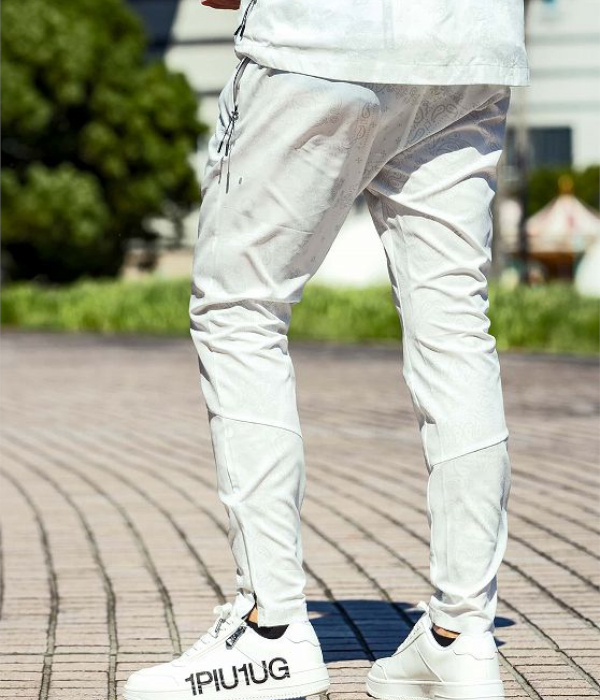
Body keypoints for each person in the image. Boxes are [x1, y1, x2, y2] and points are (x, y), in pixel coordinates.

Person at [124, 1, 528, 699]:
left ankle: (272, 631)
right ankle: (461, 636)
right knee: (455, 324)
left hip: (323, 35)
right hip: (470, 41)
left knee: (240, 309)